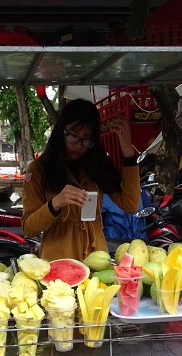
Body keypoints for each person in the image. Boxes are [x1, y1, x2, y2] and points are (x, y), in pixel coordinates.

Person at [22, 98, 140, 261]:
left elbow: (130, 204)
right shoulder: (38, 169)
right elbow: (28, 228)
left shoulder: (97, 165)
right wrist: (55, 203)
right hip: (58, 261)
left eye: (87, 140)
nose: (79, 145)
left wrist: (128, 153)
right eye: (73, 137)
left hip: (95, 259)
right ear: (60, 131)